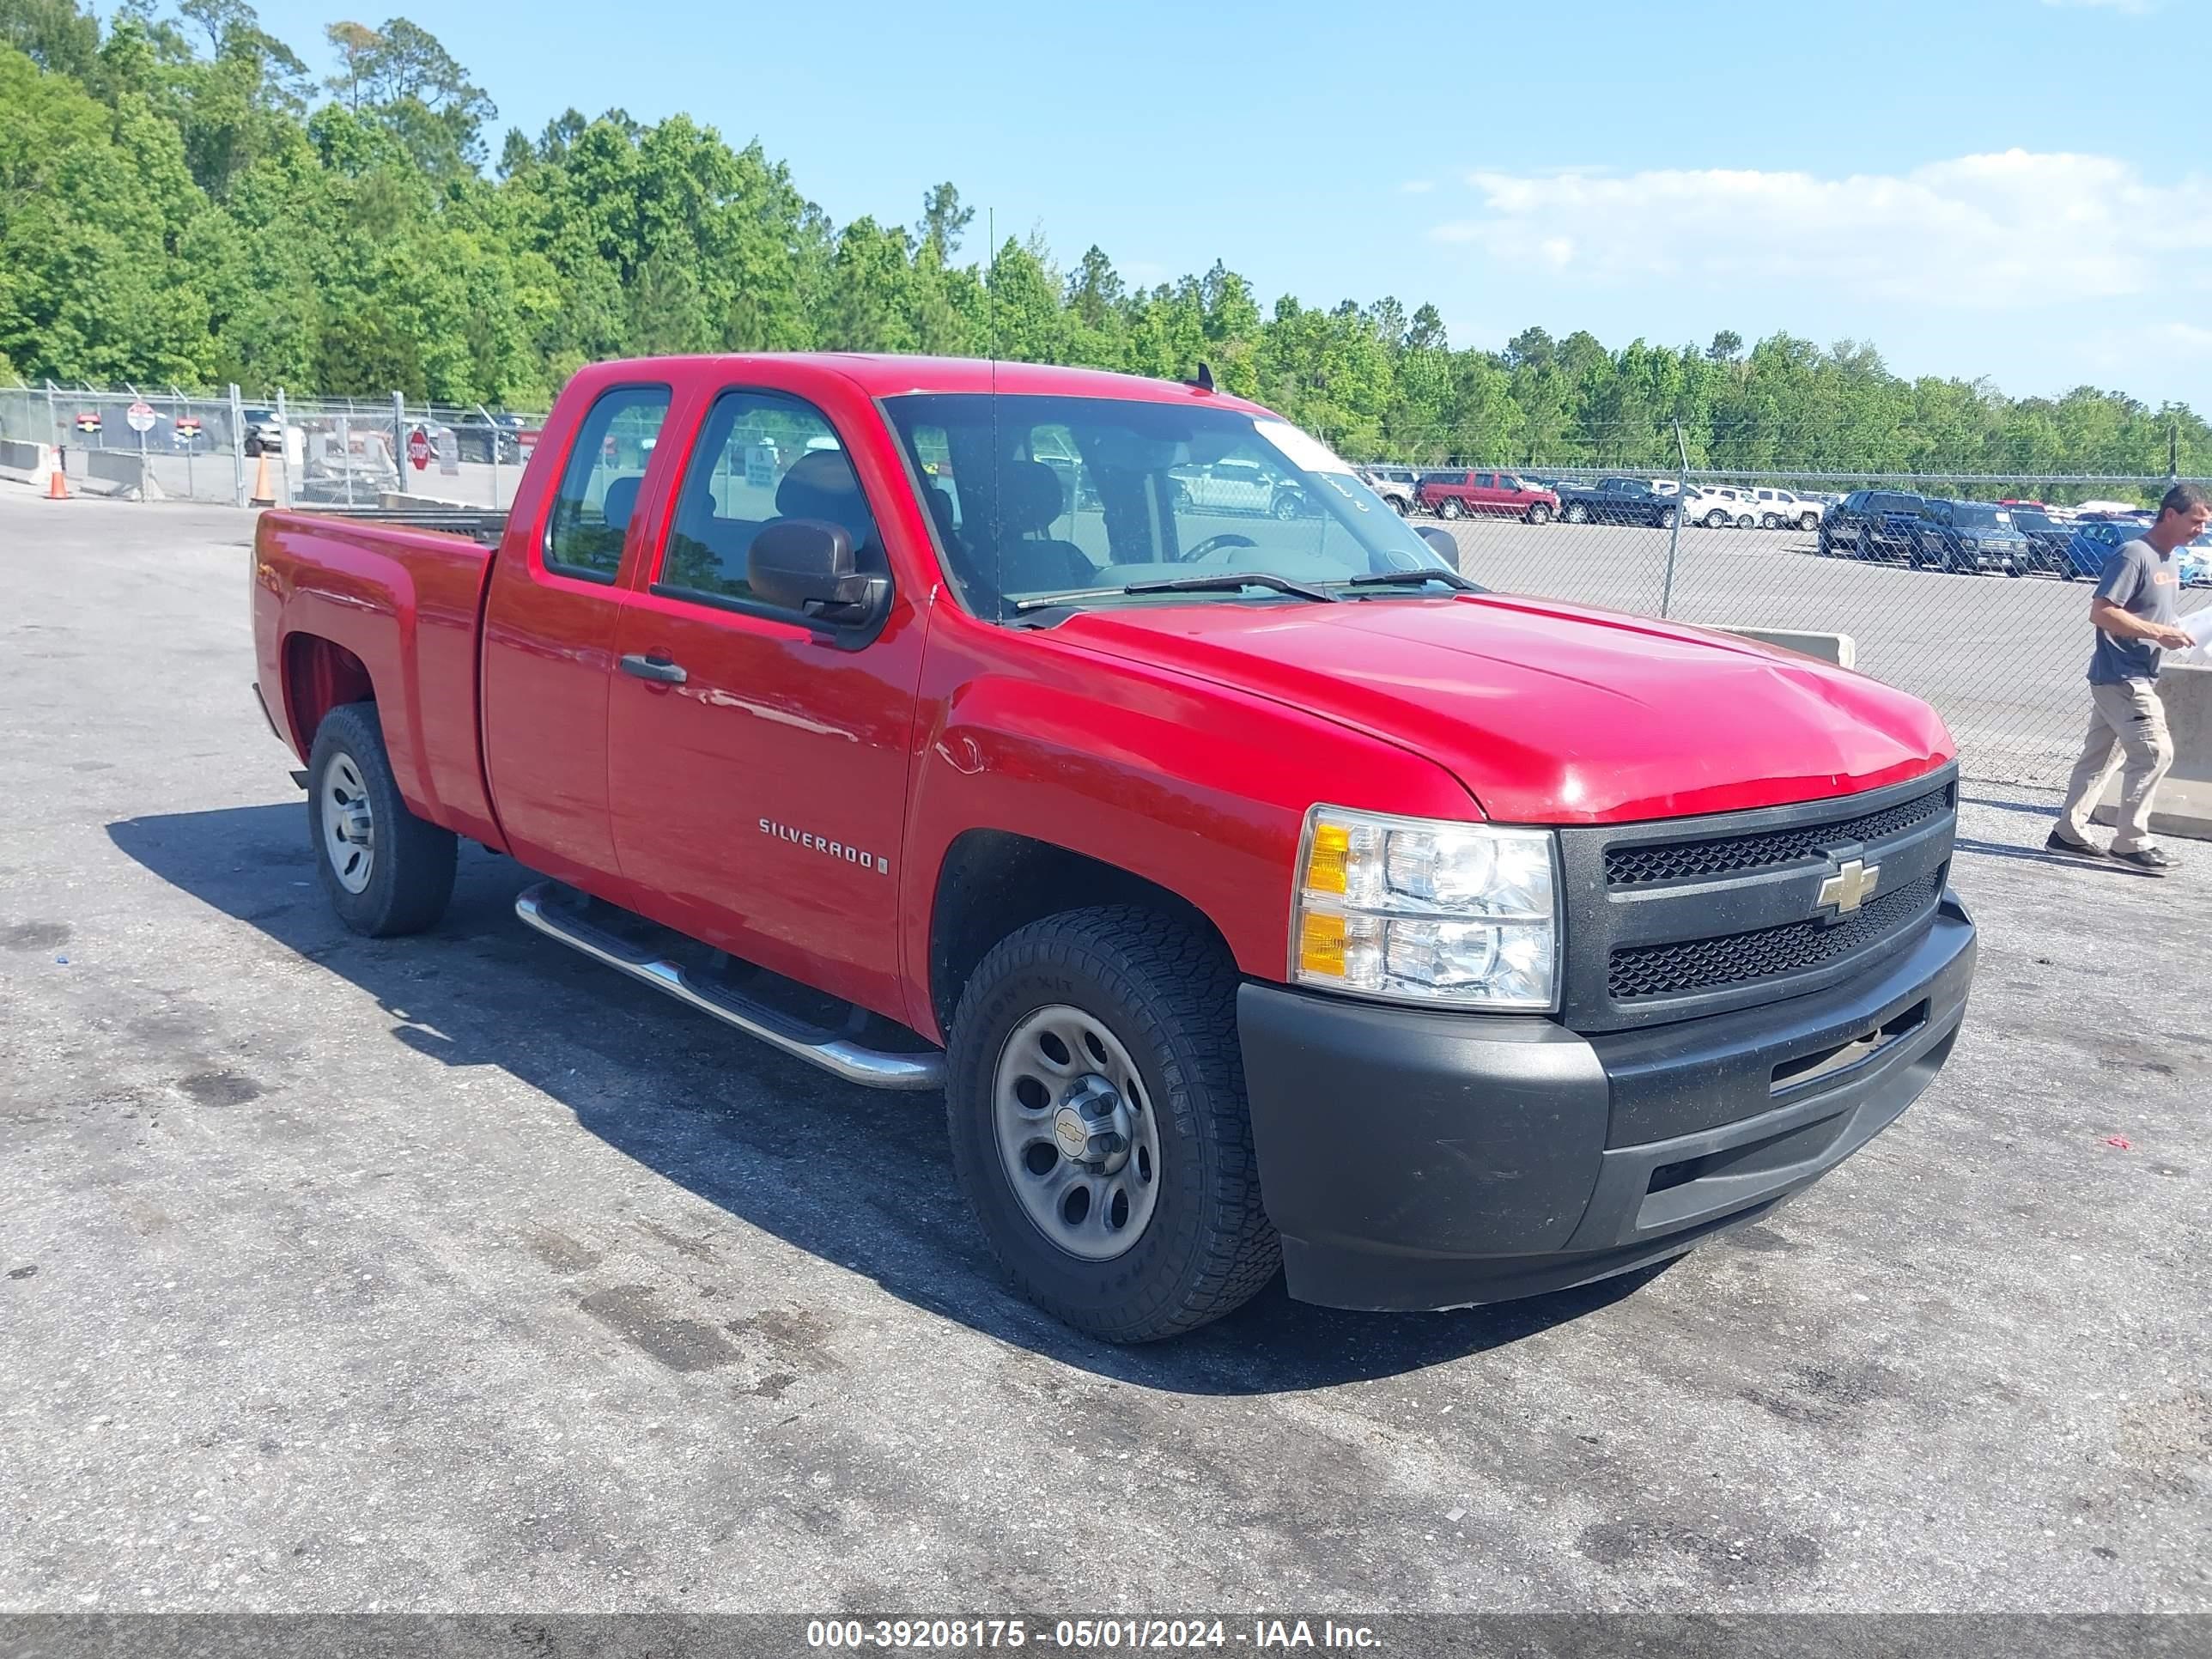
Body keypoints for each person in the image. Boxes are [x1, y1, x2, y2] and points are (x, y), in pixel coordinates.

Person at [2049, 482, 2209, 872]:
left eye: (2206, 523)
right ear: (2170, 514)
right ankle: (2131, 841)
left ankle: (2067, 834)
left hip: (2136, 674)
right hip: (2122, 676)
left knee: (2101, 758)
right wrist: (2159, 633)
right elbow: (2102, 612)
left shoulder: (2169, 560)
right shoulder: (2134, 554)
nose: (2201, 530)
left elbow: (2149, 615)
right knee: (2156, 753)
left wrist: (2175, 631)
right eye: (2196, 521)